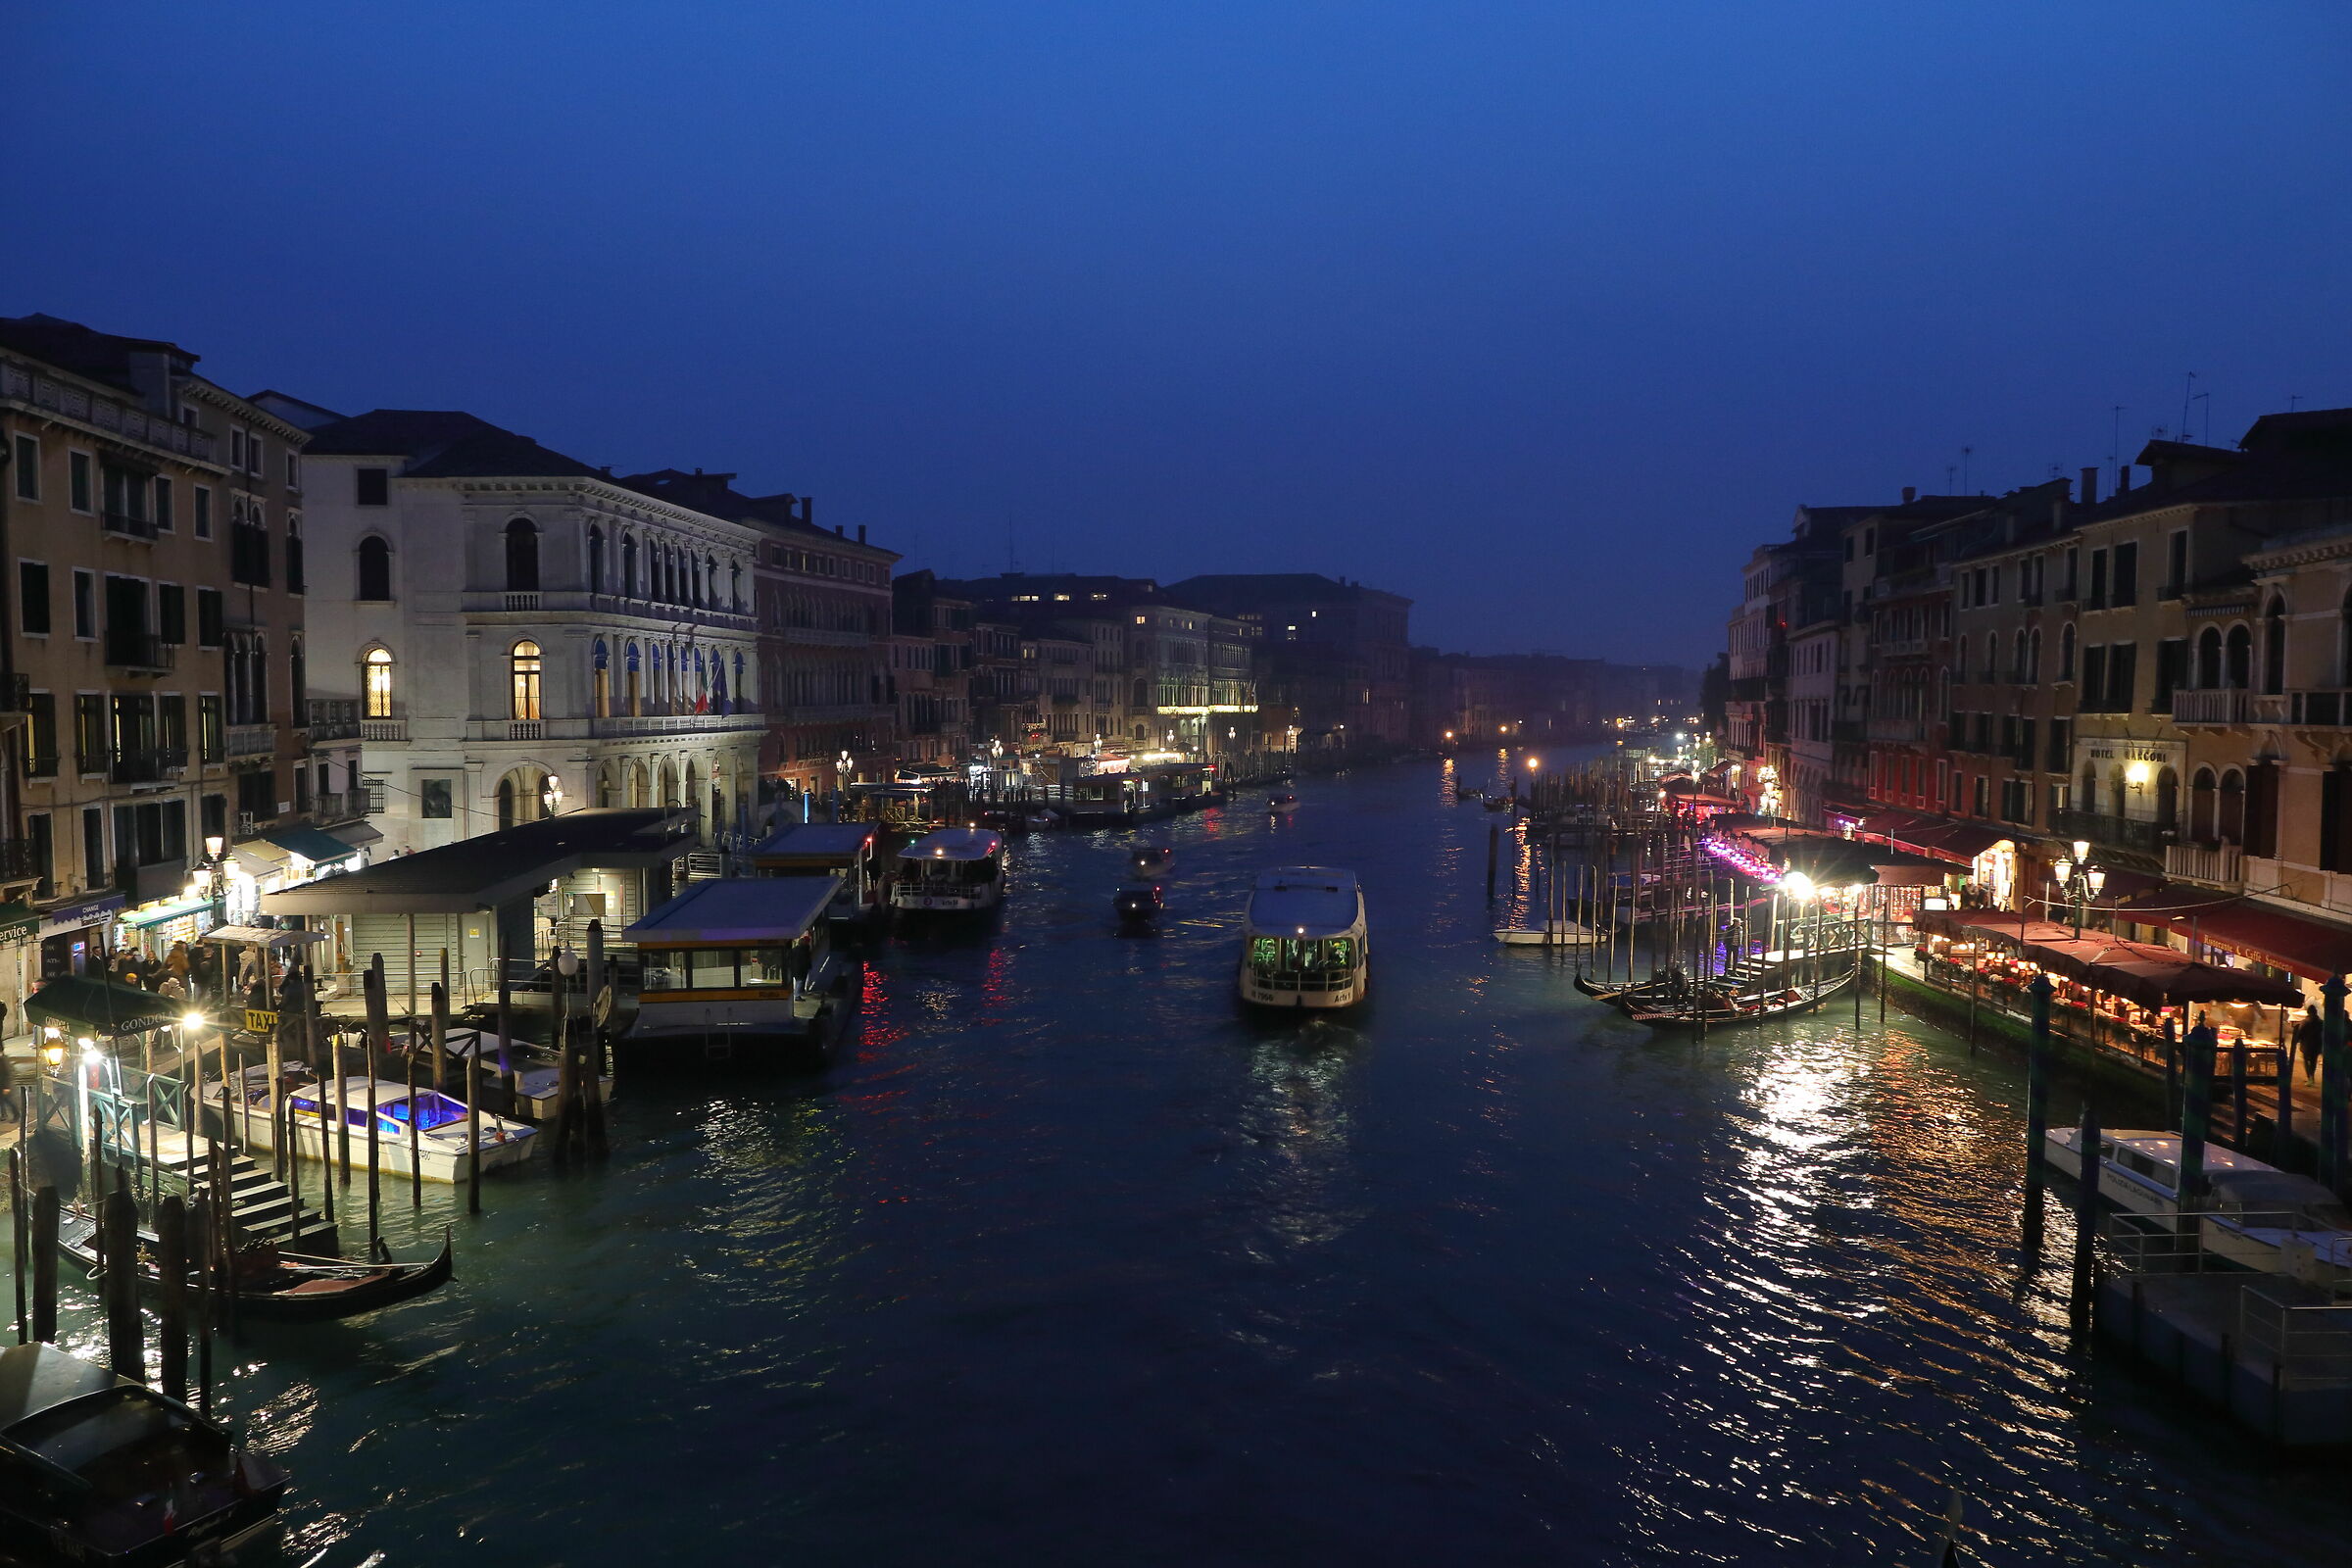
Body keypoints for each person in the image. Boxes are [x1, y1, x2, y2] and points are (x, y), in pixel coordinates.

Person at [2295, 1004, 2325, 1081]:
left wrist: (2296, 1041)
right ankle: (2312, 1075)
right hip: (2317, 1045)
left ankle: (2309, 1077)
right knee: (2313, 1061)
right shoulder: (2321, 1022)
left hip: (2306, 1045)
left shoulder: (2305, 1022)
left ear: (2308, 1012)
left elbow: (2300, 1033)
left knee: (2306, 1060)